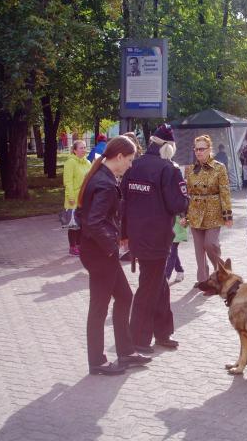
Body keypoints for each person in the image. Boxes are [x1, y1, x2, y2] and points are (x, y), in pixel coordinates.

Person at [76, 136, 152, 376]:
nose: (130, 165)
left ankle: (126, 352)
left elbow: (83, 215)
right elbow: (93, 221)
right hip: (100, 254)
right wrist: (112, 247)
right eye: (129, 160)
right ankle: (97, 361)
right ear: (119, 157)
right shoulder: (104, 183)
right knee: (99, 307)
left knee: (124, 296)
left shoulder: (101, 177)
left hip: (99, 251)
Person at [122, 124, 189, 353]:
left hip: (138, 238)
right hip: (157, 238)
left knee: (159, 285)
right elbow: (179, 204)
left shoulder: (134, 165)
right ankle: (138, 339)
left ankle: (162, 333)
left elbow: (123, 201)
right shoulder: (168, 169)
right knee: (149, 288)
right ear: (169, 148)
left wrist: (124, 234)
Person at [185, 135, 233, 286]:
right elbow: (187, 193)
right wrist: (184, 215)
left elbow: (225, 191)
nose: (198, 152)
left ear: (209, 150)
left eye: (202, 149)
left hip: (213, 212)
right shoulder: (190, 169)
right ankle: (203, 280)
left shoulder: (219, 167)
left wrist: (227, 214)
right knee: (199, 250)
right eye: (196, 149)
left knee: (210, 244)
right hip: (195, 212)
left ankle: (221, 271)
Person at [63, 140, 91, 256]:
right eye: (81, 148)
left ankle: (80, 245)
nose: (84, 150)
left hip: (85, 198)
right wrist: (70, 196)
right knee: (73, 225)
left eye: (85, 147)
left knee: (82, 224)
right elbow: (67, 181)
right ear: (74, 150)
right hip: (73, 198)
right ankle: (72, 247)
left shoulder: (88, 163)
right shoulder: (70, 162)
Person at [165, 215, 187, 284]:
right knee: (173, 251)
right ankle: (180, 271)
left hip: (178, 225)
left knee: (171, 252)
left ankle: (166, 277)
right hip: (167, 224)